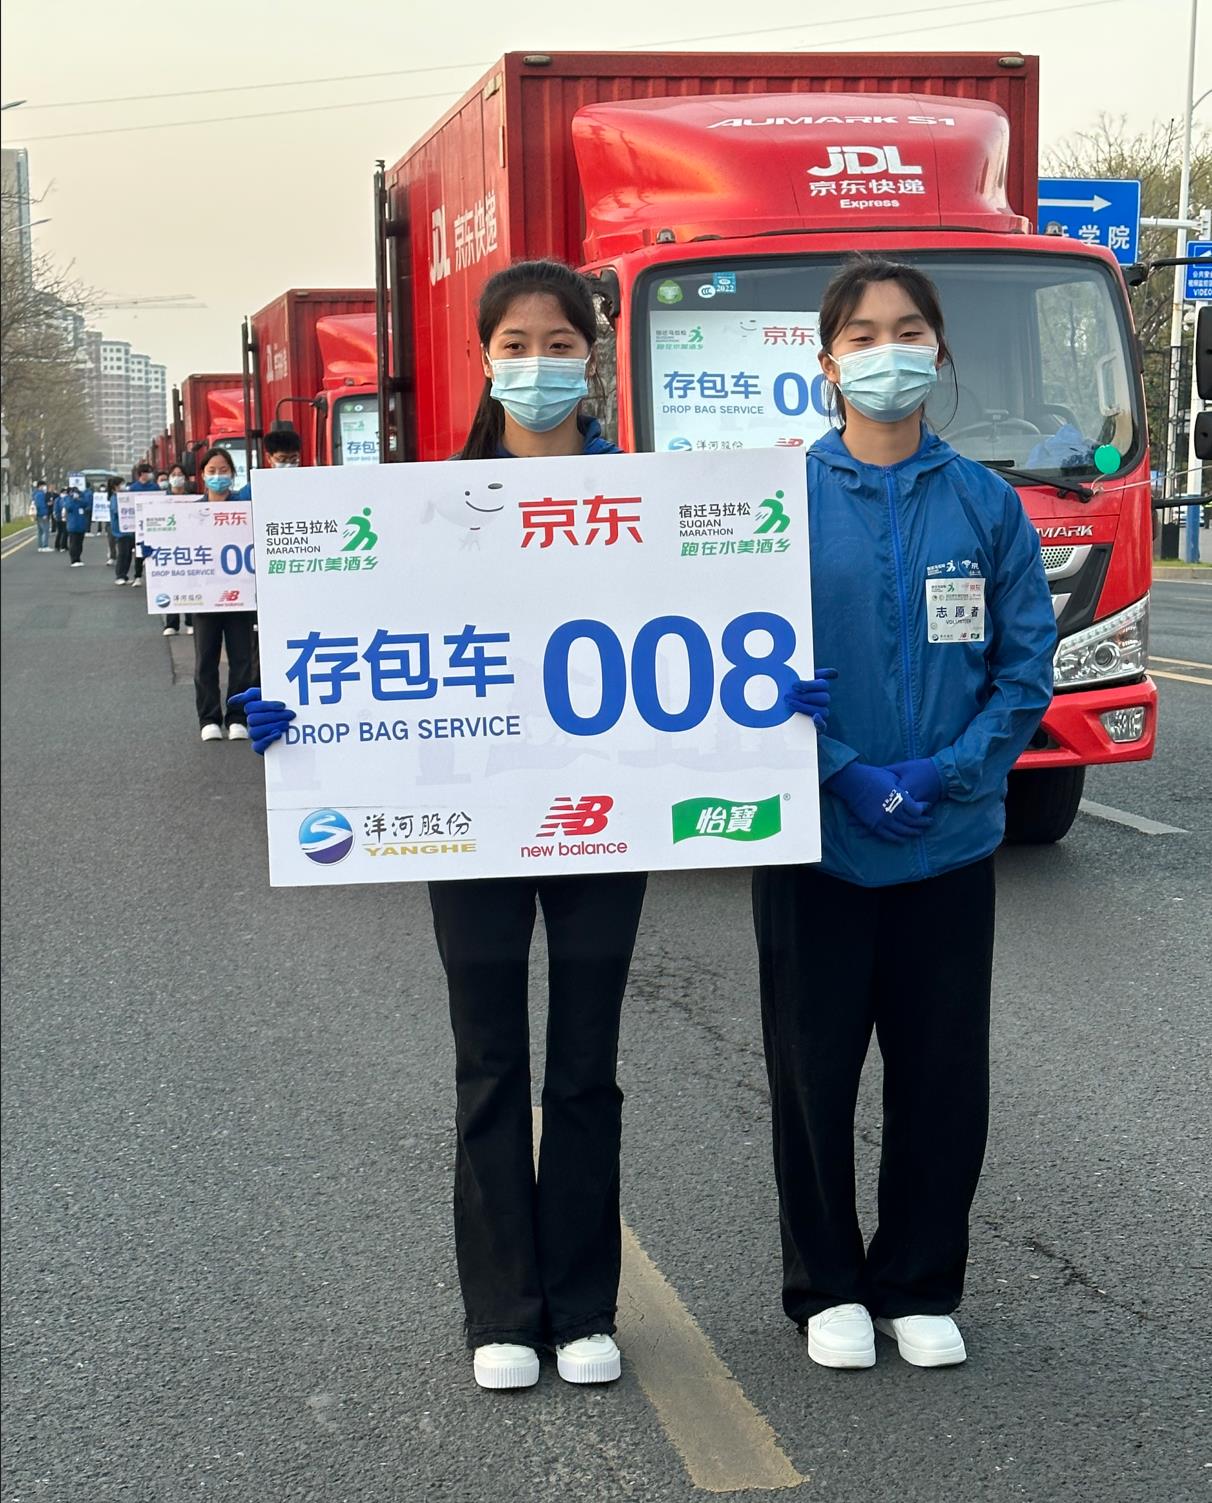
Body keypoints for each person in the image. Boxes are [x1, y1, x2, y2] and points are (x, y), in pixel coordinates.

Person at [233, 263, 713, 1393]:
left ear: (593, 357)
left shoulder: (648, 500)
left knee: (586, 1064)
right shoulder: (425, 510)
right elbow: (363, 649)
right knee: (490, 1061)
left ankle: (584, 1309)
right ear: (483, 359)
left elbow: (708, 632)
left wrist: (774, 698)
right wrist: (292, 710)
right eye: (517, 346)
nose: (539, 366)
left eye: (561, 344)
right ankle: (502, 1310)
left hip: (609, 817)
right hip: (470, 824)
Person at [752, 257, 1056, 1374]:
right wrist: (837, 768)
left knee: (940, 1074)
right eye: (864, 334)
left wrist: (949, 773)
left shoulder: (986, 504)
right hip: (815, 841)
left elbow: (1024, 670)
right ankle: (827, 1285)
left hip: (949, 842)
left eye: (910, 329)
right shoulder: (774, 502)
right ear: (828, 363)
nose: (890, 351)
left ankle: (921, 1281)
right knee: (812, 1073)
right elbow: (743, 674)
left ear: (938, 349)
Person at [191, 448, 258, 742]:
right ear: (203, 475)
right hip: (204, 597)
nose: (218, 476)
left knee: (242, 660)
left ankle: (237, 717)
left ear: (233, 474)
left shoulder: (246, 509)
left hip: (240, 596)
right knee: (205, 659)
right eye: (212, 471)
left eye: (223, 470)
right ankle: (208, 718)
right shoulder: (191, 513)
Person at [162, 465, 195, 635]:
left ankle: (191, 622)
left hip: (190, 547)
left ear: (186, 478)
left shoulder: (194, 500)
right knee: (171, 584)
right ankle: (172, 624)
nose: (177, 477)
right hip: (169, 548)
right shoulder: (161, 501)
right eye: (173, 474)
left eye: (180, 474)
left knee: (190, 584)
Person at [126, 463, 160, 587]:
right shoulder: (133, 488)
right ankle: (138, 576)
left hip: (154, 522)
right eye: (148, 472)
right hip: (139, 524)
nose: (150, 475)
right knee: (139, 551)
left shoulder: (154, 487)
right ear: (142, 474)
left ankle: (156, 576)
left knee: (155, 549)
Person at [111, 485, 136, 585]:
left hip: (130, 530)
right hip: (120, 531)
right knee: (122, 553)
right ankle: (119, 576)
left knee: (128, 554)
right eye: (120, 485)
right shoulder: (114, 498)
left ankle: (124, 575)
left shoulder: (128, 496)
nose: (122, 487)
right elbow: (116, 511)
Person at [64, 484, 90, 565]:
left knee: (79, 544)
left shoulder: (80, 501)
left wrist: (79, 498)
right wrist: (72, 498)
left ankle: (78, 558)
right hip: (73, 526)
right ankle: (74, 560)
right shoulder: (68, 500)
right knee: (73, 544)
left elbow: (86, 503)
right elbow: (68, 507)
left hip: (81, 526)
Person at [32, 481, 52, 551]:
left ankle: (40, 546)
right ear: (40, 486)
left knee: (40, 531)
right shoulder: (40, 494)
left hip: (37, 514)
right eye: (44, 486)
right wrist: (44, 514)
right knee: (45, 530)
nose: (45, 487)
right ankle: (45, 546)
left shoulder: (34, 494)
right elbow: (41, 505)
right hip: (42, 514)